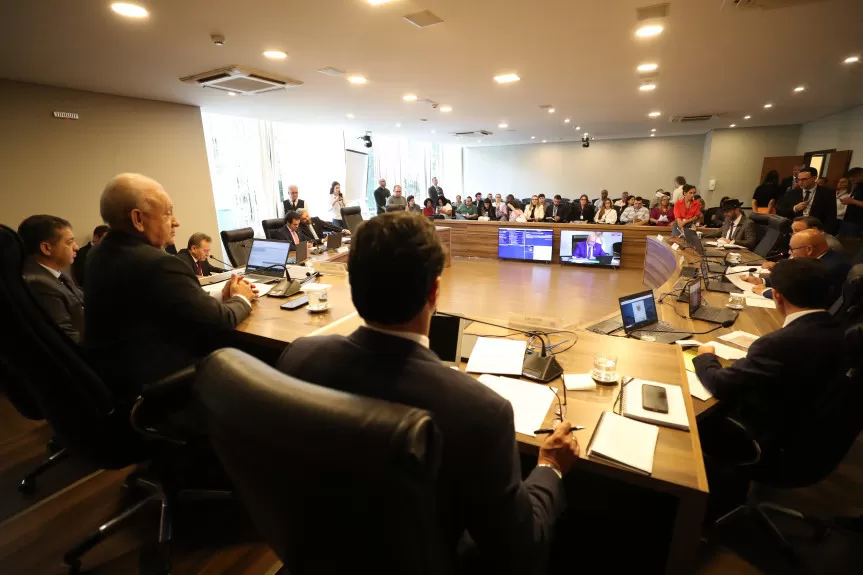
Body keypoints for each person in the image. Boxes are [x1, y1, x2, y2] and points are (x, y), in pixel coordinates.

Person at [275, 212, 579, 573]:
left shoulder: (299, 358)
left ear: (352, 284)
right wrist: (549, 467)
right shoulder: (481, 410)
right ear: (434, 291)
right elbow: (519, 550)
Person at [84, 173, 256, 403]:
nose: (176, 222)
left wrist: (220, 296)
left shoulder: (99, 253)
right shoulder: (158, 263)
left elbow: (164, 304)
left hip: (119, 383)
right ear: (138, 219)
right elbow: (219, 323)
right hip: (165, 388)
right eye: (168, 213)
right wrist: (241, 298)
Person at [694, 258, 843, 445]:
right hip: (806, 429)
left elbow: (720, 384)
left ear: (777, 296)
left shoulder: (778, 344)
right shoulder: (840, 329)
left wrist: (706, 355)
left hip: (759, 430)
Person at [18, 215, 84, 343]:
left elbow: (80, 299)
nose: (76, 247)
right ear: (46, 248)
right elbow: (66, 337)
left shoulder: (58, 272)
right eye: (69, 242)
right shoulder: (38, 283)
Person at [747, 229, 850, 306]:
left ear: (809, 250)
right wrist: (762, 281)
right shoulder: (816, 260)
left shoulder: (830, 268)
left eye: (792, 249)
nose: (789, 252)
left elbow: (805, 297)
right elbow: (792, 280)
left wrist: (766, 292)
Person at [838, 167, 863, 237]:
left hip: (858, 222)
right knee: (841, 240)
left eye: (853, 178)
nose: (851, 180)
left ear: (860, 175)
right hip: (848, 219)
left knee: (850, 241)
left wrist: (853, 201)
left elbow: (854, 201)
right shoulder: (858, 185)